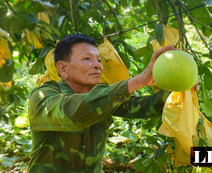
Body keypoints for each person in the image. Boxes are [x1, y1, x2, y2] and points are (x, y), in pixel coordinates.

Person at [27, 34, 194, 172]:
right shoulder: (43, 96)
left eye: (99, 60)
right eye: (87, 59)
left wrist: (180, 90)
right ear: (63, 68)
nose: (97, 66)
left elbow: (144, 107)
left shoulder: (103, 96)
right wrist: (140, 80)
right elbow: (72, 113)